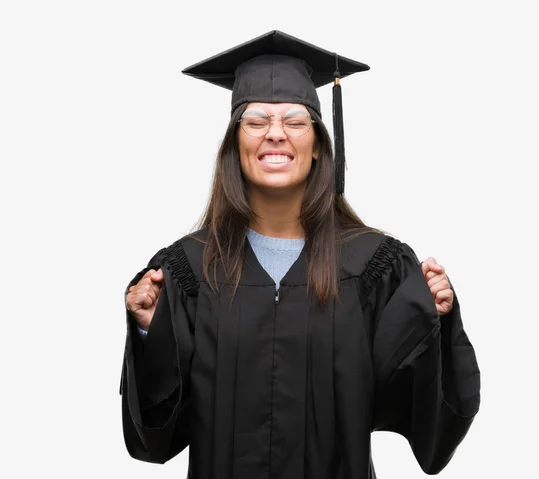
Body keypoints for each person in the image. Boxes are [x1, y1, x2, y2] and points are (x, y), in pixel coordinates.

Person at [120, 30, 480, 478]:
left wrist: (434, 320)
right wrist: (149, 331)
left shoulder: (374, 268)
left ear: (317, 147)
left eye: (294, 121)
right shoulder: (190, 269)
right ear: (235, 144)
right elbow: (157, 437)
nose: (275, 134)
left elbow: (418, 407)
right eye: (256, 121)